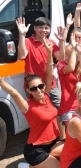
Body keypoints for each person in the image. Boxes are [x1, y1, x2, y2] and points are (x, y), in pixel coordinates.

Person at [0, 38, 64, 168]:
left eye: (40, 86)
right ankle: (32, 165)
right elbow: (14, 93)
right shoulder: (27, 106)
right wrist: (1, 82)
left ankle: (31, 166)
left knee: (73, 156)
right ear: (28, 90)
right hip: (36, 150)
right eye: (34, 88)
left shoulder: (46, 95)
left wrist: (50, 53)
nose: (39, 90)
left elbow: (49, 73)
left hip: (53, 143)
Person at [16, 17, 66, 140]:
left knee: (59, 110)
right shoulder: (28, 41)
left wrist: (62, 42)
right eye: (40, 27)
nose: (43, 30)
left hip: (50, 84)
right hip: (34, 87)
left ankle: (61, 138)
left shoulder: (51, 43)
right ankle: (42, 139)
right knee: (36, 114)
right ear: (34, 28)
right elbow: (22, 55)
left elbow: (61, 57)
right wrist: (22, 35)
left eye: (46, 27)